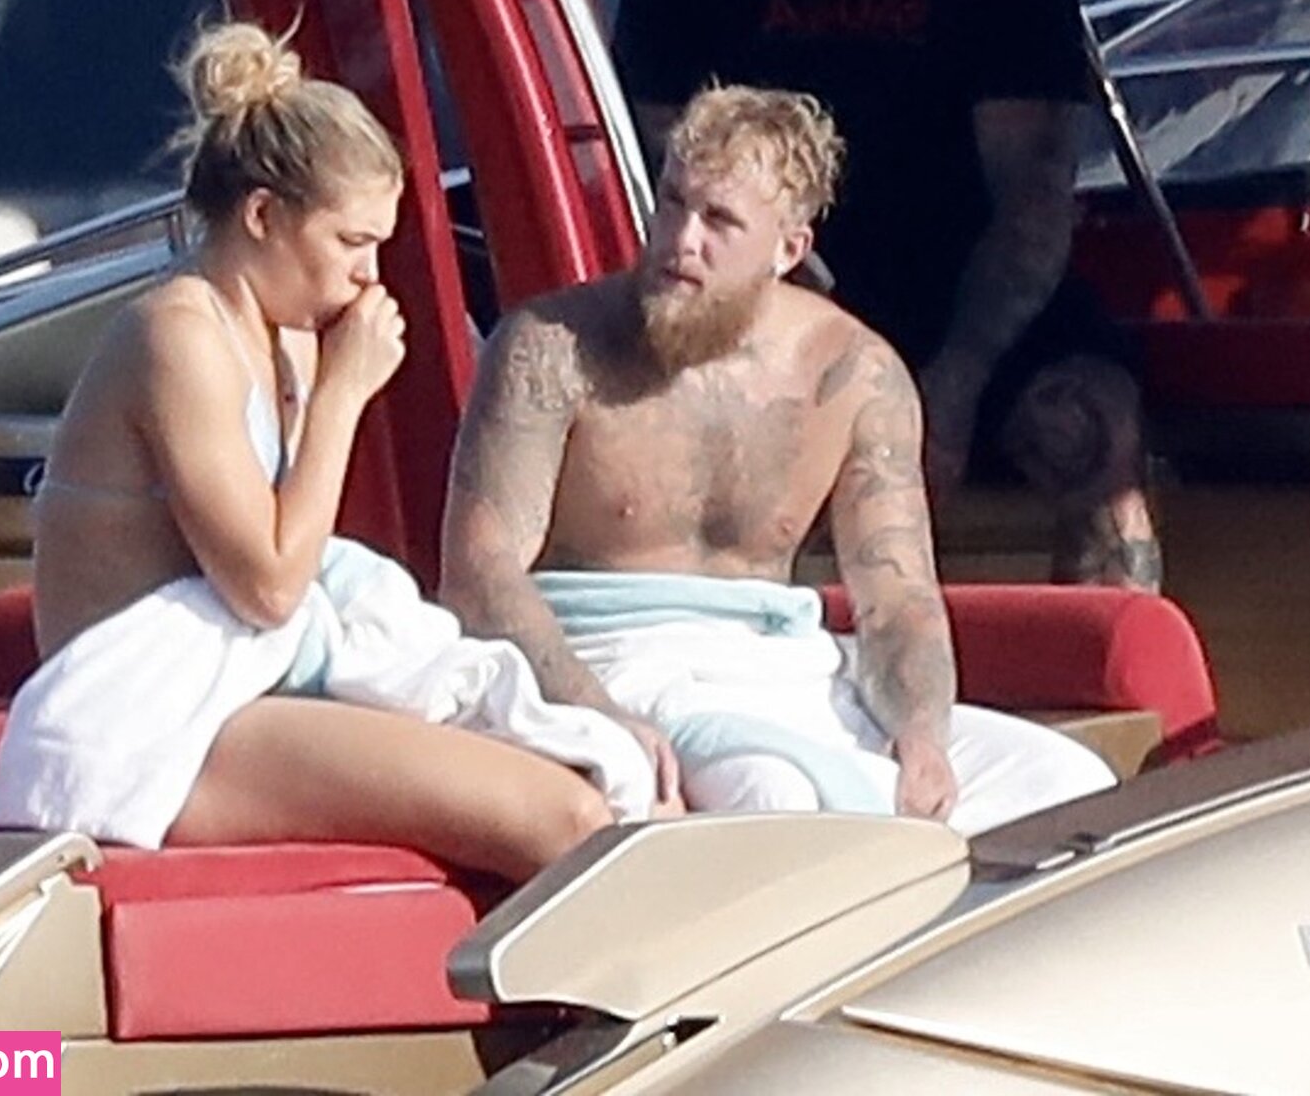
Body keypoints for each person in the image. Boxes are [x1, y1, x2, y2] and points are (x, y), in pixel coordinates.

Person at [0, 22, 647, 882]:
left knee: (599, 787)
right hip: (149, 717)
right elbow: (266, 585)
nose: (370, 275)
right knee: (566, 819)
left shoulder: (288, 336)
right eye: (352, 243)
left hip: (242, 687)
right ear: (262, 215)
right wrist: (343, 395)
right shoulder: (177, 335)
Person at [441, 85, 1115, 833]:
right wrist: (594, 713)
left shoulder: (854, 371)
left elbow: (897, 599)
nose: (681, 241)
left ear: (789, 249)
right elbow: (479, 574)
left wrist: (923, 736)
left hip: (786, 665)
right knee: (775, 793)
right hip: (608, 660)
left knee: (1068, 783)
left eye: (719, 220)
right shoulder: (550, 346)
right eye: (672, 203)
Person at [612, 0, 1159, 590]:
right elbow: (676, 203)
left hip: (969, 301)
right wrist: (828, 365)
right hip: (769, 300)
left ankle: (1111, 656)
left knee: (1092, 430)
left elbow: (1032, 202)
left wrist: (954, 384)